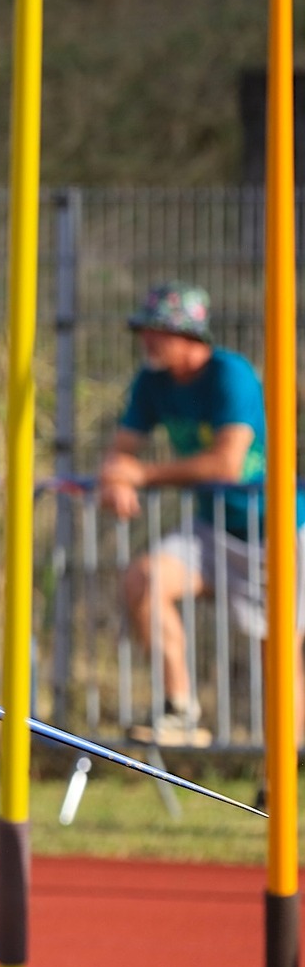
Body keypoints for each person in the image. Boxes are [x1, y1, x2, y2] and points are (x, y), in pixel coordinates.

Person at [102, 280, 301, 747]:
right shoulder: (152, 382)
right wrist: (115, 477)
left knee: (278, 652)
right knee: (144, 580)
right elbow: (119, 454)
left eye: (157, 331)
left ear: (189, 335)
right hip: (211, 529)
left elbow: (227, 464)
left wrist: (141, 475)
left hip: (271, 529)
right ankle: (180, 710)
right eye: (144, 330)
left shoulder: (230, 375)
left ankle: (283, 771)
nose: (146, 340)